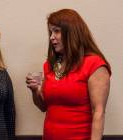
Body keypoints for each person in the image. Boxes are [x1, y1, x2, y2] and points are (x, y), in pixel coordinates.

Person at [26, 9, 111, 140]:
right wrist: (34, 90)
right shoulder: (50, 65)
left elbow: (98, 112)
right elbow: (43, 107)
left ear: (72, 32)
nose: (51, 37)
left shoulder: (94, 64)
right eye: (50, 32)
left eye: (56, 31)